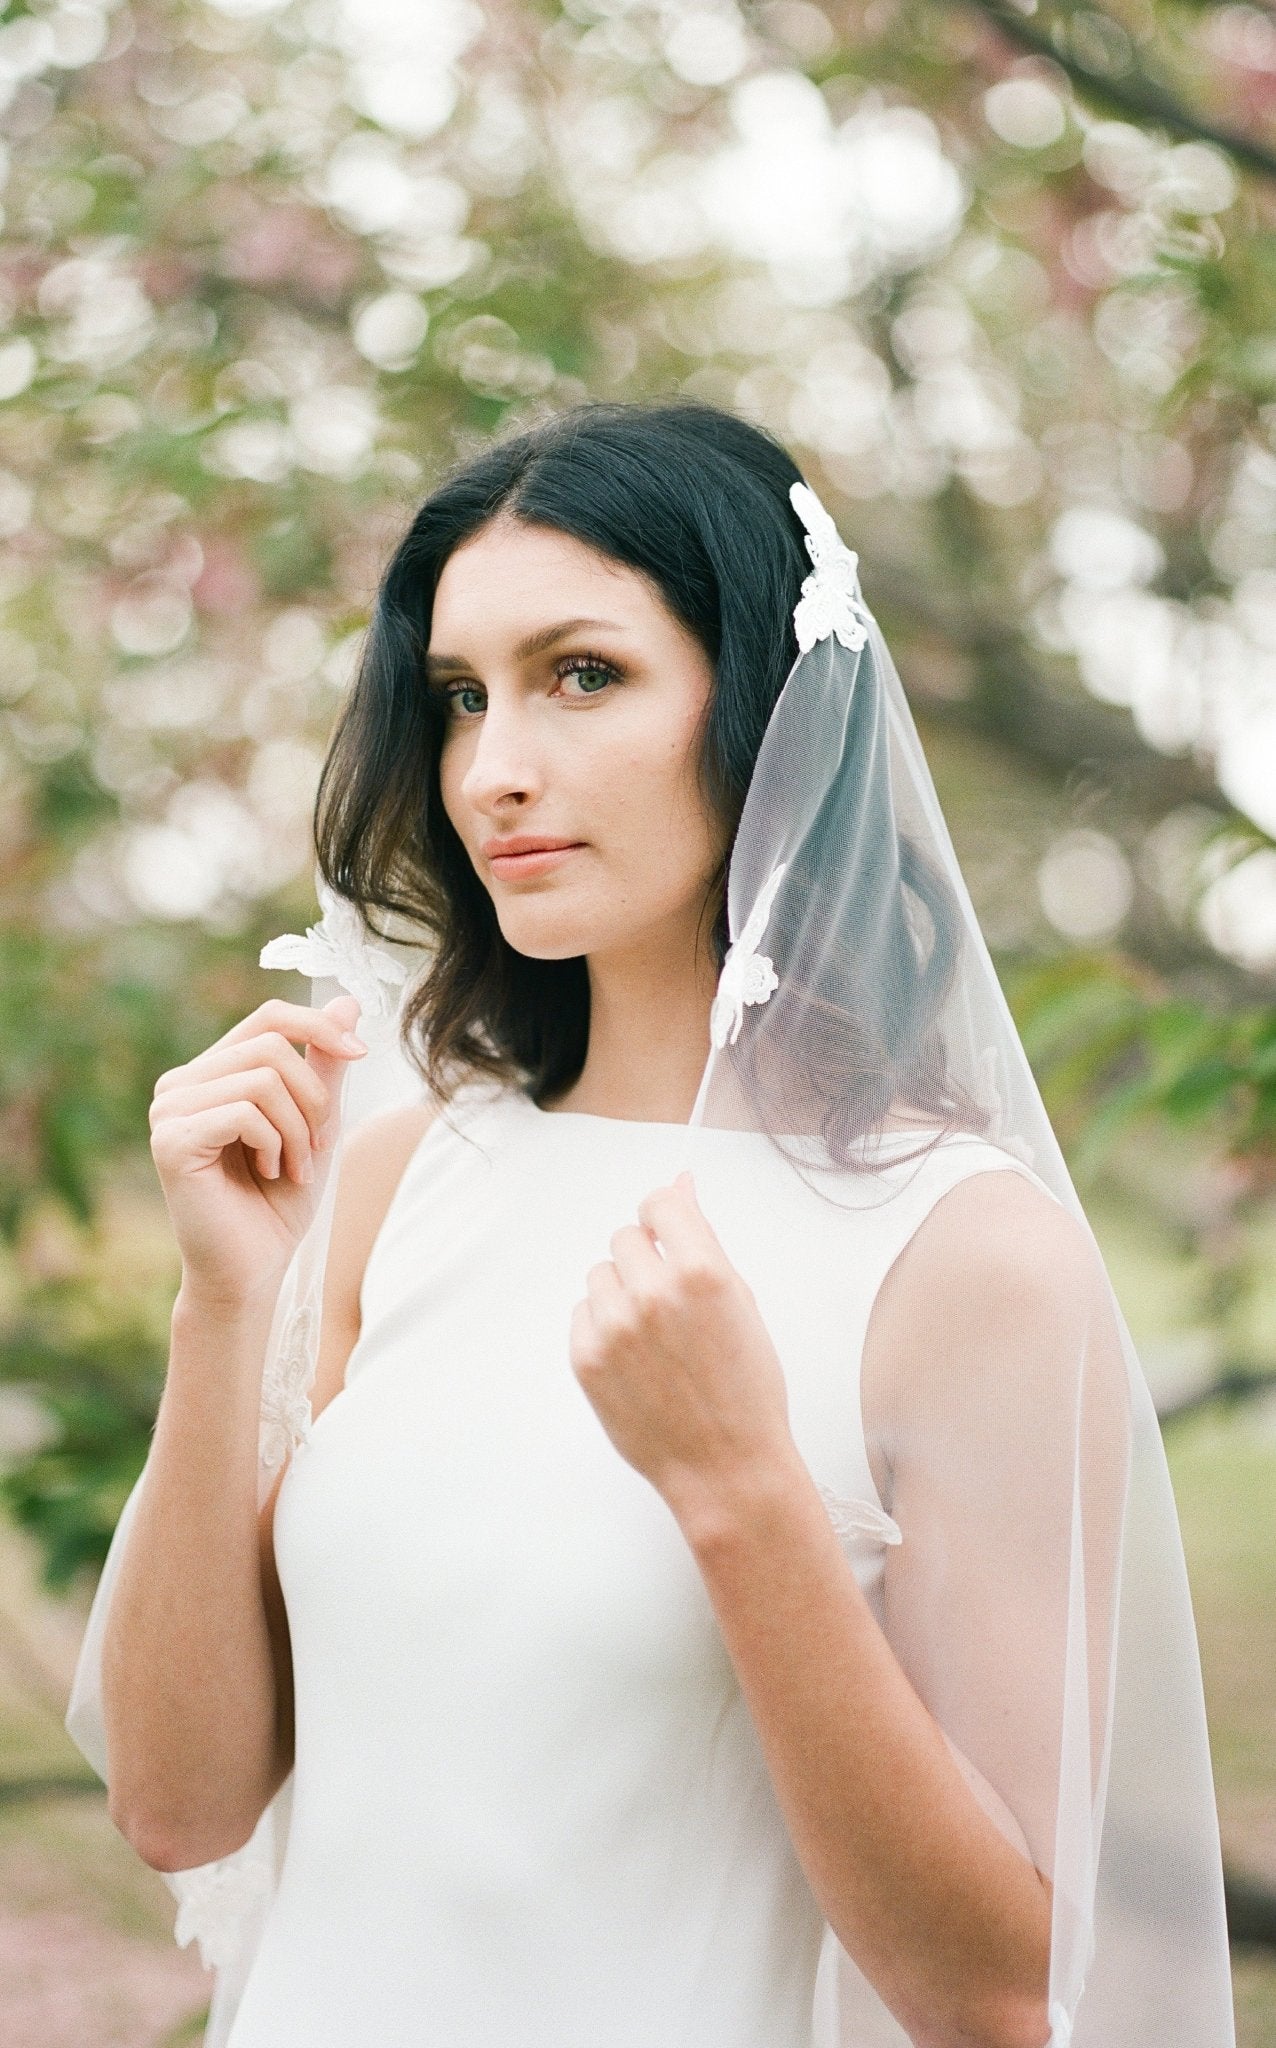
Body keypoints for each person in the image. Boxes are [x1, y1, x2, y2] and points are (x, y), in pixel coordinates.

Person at [67, 401, 1235, 2048]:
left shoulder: (962, 1256)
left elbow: (996, 1996)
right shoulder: (405, 1179)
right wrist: (221, 1307)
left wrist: (739, 1487)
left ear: (766, 708)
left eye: (583, 675)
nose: (495, 768)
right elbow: (179, 1807)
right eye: (462, 699)